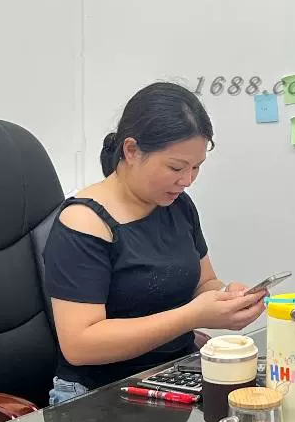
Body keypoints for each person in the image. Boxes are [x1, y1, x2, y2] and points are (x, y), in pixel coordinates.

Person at [43, 82, 264, 405]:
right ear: (131, 150)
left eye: (196, 168)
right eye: (176, 167)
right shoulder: (84, 222)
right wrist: (191, 317)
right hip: (98, 395)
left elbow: (203, 283)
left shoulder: (177, 205)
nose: (187, 180)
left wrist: (227, 299)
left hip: (172, 374)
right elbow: (80, 345)